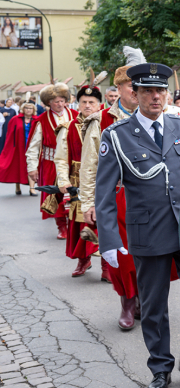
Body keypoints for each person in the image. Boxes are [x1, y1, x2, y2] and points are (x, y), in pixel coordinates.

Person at [95, 61, 180, 388]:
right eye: (147, 91)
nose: (155, 97)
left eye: (160, 90)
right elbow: (103, 194)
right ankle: (160, 367)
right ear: (134, 94)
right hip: (147, 231)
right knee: (153, 305)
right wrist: (108, 241)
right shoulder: (117, 136)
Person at [84, 47, 145, 330]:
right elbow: (89, 165)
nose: (136, 90)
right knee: (122, 254)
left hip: (150, 197)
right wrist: (88, 202)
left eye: (139, 85)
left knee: (149, 252)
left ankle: (145, 297)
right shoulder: (101, 121)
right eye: (130, 85)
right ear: (118, 88)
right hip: (117, 197)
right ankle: (127, 301)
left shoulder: (162, 116)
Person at [54, 85, 104, 279]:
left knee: (106, 223)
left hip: (103, 181)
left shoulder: (107, 125)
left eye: (92, 102)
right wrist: (64, 181)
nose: (88, 105)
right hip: (78, 183)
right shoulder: (67, 128)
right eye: (84, 102)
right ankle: (83, 260)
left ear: (99, 104)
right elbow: (60, 158)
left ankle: (108, 267)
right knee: (81, 224)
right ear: (78, 104)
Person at [27, 83, 78, 239]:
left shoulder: (76, 115)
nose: (60, 104)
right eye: (56, 101)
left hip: (73, 163)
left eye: (62, 100)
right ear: (48, 102)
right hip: (50, 164)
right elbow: (33, 147)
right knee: (55, 196)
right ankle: (61, 227)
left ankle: (74, 226)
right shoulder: (41, 120)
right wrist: (32, 168)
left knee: (74, 195)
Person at [0, 102, 37, 195]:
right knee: (18, 166)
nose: (28, 110)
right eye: (26, 108)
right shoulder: (15, 119)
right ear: (23, 109)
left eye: (30, 108)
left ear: (33, 110)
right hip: (19, 146)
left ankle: (32, 188)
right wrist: (9, 148)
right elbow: (9, 135)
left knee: (31, 165)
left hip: (32, 147)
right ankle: (17, 186)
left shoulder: (37, 120)